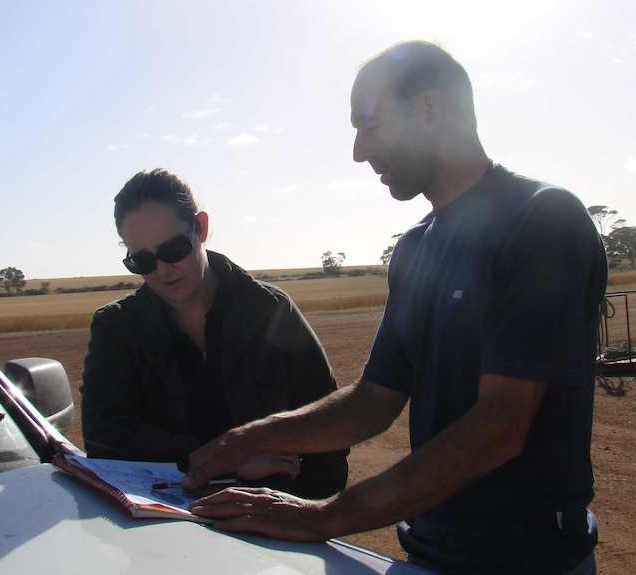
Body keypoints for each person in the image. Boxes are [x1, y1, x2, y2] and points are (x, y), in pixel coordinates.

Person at [184, 40, 607, 575]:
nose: (359, 152)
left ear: (428, 109)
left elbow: (500, 425)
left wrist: (321, 518)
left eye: (369, 125)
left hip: (532, 562)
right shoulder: (415, 249)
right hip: (427, 555)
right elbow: (371, 403)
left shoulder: (543, 221)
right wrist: (250, 438)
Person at [80, 168, 348, 500]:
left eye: (174, 249)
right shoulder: (117, 328)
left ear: (202, 227)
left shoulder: (271, 310)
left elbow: (328, 425)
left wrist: (303, 512)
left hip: (274, 524)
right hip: (162, 530)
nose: (163, 270)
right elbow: (104, 438)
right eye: (143, 261)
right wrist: (231, 460)